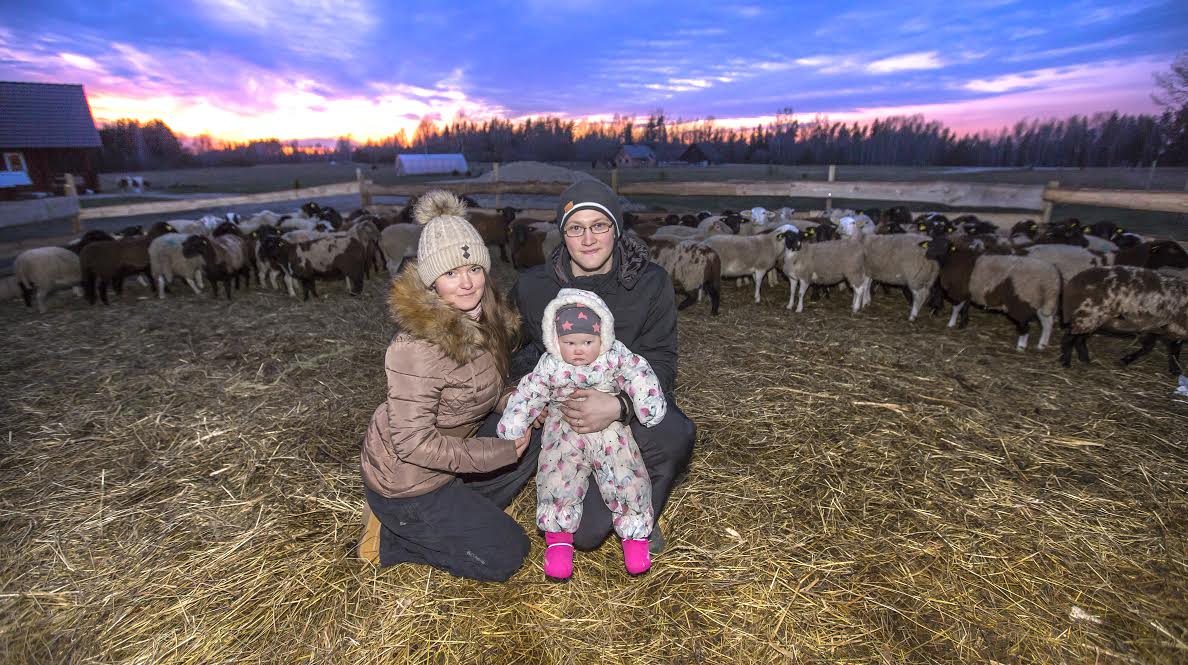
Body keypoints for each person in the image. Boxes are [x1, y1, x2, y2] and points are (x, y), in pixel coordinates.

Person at [474, 178, 696, 554]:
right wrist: (520, 392)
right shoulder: (534, 286)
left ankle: (640, 514)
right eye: (576, 228)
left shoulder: (649, 283)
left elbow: (661, 359)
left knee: (674, 434)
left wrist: (619, 406)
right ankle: (456, 504)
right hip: (557, 406)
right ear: (563, 234)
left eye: (599, 226)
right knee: (498, 438)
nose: (588, 239)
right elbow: (513, 349)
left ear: (616, 229)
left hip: (620, 403)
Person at [357, 190, 532, 582]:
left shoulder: (486, 322)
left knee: (533, 432)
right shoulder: (415, 349)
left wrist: (519, 402)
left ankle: (463, 514)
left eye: (473, 269)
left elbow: (477, 392)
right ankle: (390, 539)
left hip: (449, 458)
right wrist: (493, 453)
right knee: (508, 555)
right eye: (451, 273)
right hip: (406, 483)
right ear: (432, 283)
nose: (467, 283)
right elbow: (412, 443)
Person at [496, 289, 667, 580]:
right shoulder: (551, 365)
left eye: (587, 342)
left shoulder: (613, 357)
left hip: (609, 428)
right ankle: (559, 544)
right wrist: (515, 422)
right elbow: (530, 391)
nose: (578, 350)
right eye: (569, 342)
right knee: (556, 477)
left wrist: (646, 402)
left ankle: (635, 538)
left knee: (627, 472)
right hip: (564, 429)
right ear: (554, 340)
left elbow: (638, 372)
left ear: (602, 336)